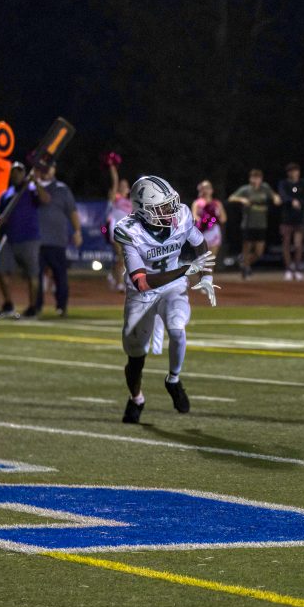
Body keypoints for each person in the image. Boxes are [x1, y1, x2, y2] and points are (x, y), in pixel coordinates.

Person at [113, 176, 217, 424]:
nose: (170, 211)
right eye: (162, 207)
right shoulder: (129, 231)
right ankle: (136, 398)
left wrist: (206, 274)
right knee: (136, 358)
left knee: (177, 328)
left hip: (172, 287)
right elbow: (142, 282)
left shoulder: (181, 216)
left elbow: (199, 242)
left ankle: (173, 379)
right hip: (142, 294)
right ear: (143, 210)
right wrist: (186, 269)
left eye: (170, 204)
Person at [0, 162, 45, 320]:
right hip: (10, 238)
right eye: (14, 172)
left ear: (24, 174)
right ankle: (8, 305)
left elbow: (45, 200)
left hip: (29, 239)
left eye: (19, 172)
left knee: (32, 274)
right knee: (0, 269)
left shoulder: (31, 190)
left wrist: (36, 183)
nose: (16, 175)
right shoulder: (7, 193)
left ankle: (32, 308)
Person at [33, 160, 82, 318]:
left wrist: (77, 231)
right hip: (35, 240)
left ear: (54, 169)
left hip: (57, 240)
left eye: (50, 167)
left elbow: (72, 211)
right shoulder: (30, 188)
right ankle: (36, 306)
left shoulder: (62, 188)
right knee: (36, 276)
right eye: (44, 167)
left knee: (60, 276)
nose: (47, 170)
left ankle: (62, 306)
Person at [229, 169, 280, 279]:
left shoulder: (265, 188)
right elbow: (231, 198)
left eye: (258, 178)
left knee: (259, 252)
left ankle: (244, 264)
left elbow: (274, 196)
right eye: (254, 177)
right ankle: (245, 270)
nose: (256, 180)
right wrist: (242, 200)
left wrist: (276, 198)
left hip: (261, 224)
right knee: (247, 248)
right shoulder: (246, 189)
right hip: (248, 223)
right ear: (250, 179)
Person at [278, 162, 304, 281]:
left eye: (296, 171)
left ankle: (297, 269)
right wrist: (292, 201)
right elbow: (283, 196)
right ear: (288, 173)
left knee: (298, 245)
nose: (294, 173)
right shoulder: (283, 183)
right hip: (286, 219)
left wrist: (301, 203)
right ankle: (288, 269)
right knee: (286, 244)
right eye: (291, 171)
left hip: (300, 219)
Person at [103, 152, 132, 292]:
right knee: (121, 254)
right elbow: (114, 182)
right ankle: (120, 284)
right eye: (121, 184)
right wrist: (113, 169)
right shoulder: (116, 197)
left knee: (122, 258)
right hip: (115, 227)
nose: (122, 186)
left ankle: (113, 275)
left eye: (125, 185)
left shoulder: (131, 202)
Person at [191, 180, 226, 261]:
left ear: (212, 190)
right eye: (203, 188)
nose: (205, 190)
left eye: (207, 188)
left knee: (211, 260)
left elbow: (223, 218)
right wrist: (204, 221)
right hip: (201, 232)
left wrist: (213, 219)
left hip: (214, 232)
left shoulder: (217, 203)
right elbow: (194, 216)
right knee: (202, 260)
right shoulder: (197, 203)